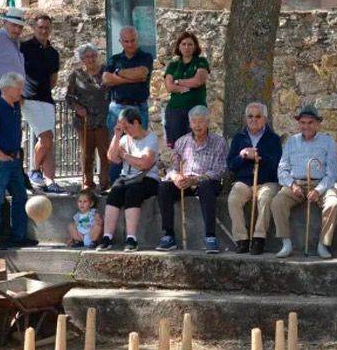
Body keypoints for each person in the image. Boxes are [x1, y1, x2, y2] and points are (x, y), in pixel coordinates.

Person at [272, 105, 337, 259]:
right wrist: (292, 185)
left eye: (310, 122)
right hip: (296, 184)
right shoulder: (291, 141)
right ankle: (286, 243)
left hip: (320, 184)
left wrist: (319, 190)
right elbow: (282, 169)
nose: (306, 126)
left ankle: (323, 244)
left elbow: (332, 172)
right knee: (277, 202)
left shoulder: (328, 141)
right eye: (303, 122)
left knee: (333, 204)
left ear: (317, 124)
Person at [156, 105, 228, 253]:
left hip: (207, 181)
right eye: (194, 122)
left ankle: (210, 237)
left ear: (208, 122)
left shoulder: (219, 142)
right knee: (164, 188)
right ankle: (168, 235)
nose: (197, 125)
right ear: (189, 123)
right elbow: (173, 167)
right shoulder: (181, 142)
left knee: (206, 186)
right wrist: (176, 177)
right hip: (184, 181)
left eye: (201, 121)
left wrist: (196, 180)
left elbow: (219, 170)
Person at [0, 72, 34, 248]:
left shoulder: (15, 105)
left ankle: (18, 235)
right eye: (18, 87)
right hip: (1, 161)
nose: (21, 90)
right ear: (7, 88)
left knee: (20, 196)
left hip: (14, 160)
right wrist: (0, 155)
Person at [97, 107, 160, 252]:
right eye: (122, 127)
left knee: (133, 192)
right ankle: (107, 237)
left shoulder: (150, 139)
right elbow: (112, 158)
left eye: (127, 126)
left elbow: (144, 163)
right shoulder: (124, 139)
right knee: (115, 191)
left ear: (136, 123)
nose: (125, 130)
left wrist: (125, 156)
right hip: (127, 177)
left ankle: (131, 238)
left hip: (147, 178)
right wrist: (117, 136)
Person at [227, 102, 282, 255]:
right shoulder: (239, 138)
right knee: (233, 199)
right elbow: (231, 164)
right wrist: (243, 156)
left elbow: (277, 163)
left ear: (265, 119)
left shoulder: (273, 139)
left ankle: (259, 238)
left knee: (265, 199)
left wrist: (260, 156)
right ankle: (241, 239)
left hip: (266, 181)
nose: (254, 120)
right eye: (250, 116)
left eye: (258, 116)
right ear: (246, 119)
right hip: (244, 182)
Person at [19, 13, 65, 194]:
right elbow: (15, 69)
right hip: (29, 98)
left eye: (47, 28)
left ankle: (50, 181)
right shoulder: (24, 48)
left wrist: (44, 90)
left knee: (49, 141)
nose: (44, 31)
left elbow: (53, 79)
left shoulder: (53, 53)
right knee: (45, 137)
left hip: (46, 99)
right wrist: (20, 94)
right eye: (40, 27)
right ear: (34, 28)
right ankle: (35, 170)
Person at [103, 26, 154, 184]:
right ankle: (116, 183)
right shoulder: (114, 59)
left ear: (137, 40)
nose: (130, 44)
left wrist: (117, 74)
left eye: (133, 40)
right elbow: (106, 79)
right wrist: (131, 77)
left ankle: (136, 181)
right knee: (116, 144)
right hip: (117, 107)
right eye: (126, 41)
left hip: (139, 108)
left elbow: (142, 74)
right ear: (121, 42)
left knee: (139, 145)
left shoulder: (145, 56)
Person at [65, 43, 111, 192]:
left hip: (104, 119)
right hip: (84, 120)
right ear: (82, 59)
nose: (90, 59)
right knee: (87, 154)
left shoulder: (105, 71)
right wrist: (77, 108)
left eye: (93, 56)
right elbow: (69, 97)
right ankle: (87, 182)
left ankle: (105, 183)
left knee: (106, 153)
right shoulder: (76, 75)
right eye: (86, 57)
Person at [162, 31, 210, 148]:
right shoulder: (173, 65)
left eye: (190, 44)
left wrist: (178, 81)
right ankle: (180, 167)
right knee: (178, 146)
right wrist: (189, 84)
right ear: (179, 46)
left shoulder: (201, 61)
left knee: (196, 144)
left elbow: (198, 80)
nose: (186, 47)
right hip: (175, 109)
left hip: (196, 109)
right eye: (183, 44)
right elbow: (169, 87)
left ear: (195, 46)